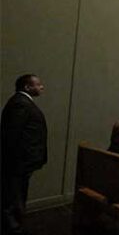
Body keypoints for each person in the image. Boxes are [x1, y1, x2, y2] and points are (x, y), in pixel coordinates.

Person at [1, 74, 47, 235]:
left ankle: (14, 226)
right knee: (14, 197)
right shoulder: (21, 104)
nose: (41, 87)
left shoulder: (21, 103)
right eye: (38, 84)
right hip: (18, 163)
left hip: (20, 162)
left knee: (16, 195)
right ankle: (13, 228)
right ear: (27, 87)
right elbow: (12, 135)